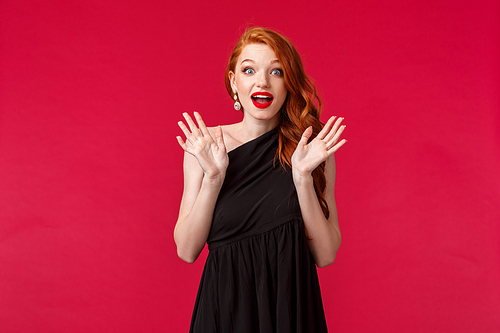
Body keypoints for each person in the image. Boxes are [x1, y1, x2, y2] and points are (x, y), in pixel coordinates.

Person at [174, 27, 346, 333]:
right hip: (225, 313)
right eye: (249, 69)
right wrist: (214, 177)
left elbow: (326, 254)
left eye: (276, 71)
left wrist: (302, 177)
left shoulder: (310, 149)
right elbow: (187, 250)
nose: (262, 81)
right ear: (234, 82)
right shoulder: (205, 147)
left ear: (288, 83)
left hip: (290, 312)